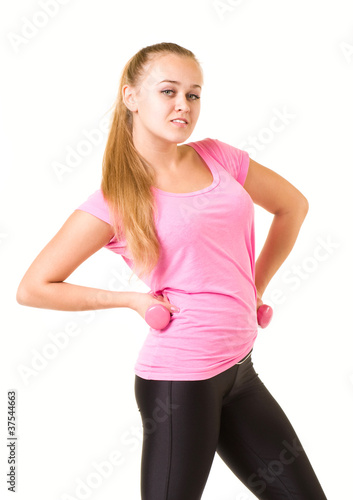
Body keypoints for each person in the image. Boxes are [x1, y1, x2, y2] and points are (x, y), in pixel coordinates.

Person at [16, 42, 327, 499]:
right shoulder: (117, 198)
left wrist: (252, 286)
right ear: (131, 97)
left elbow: (293, 207)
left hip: (239, 370)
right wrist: (131, 301)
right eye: (168, 91)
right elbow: (33, 287)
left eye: (193, 94)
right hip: (179, 381)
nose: (183, 105)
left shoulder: (218, 157)